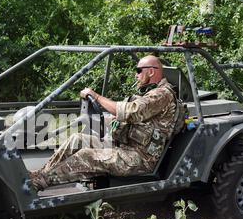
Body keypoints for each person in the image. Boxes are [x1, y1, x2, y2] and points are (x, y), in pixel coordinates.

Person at [29, 55, 185, 191]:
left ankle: (41, 182)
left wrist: (96, 96)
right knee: (76, 139)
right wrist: (108, 119)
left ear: (151, 71)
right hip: (122, 147)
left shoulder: (162, 94)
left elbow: (132, 111)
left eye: (139, 71)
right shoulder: (148, 93)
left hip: (139, 158)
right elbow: (132, 119)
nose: (135, 75)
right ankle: (41, 174)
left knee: (86, 156)